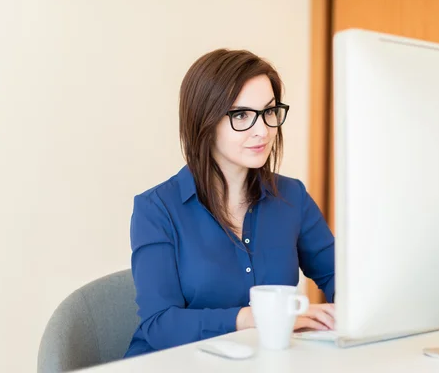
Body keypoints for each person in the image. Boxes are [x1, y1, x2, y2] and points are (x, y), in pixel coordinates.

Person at [124, 48, 335, 358]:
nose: (262, 130)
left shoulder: (292, 197)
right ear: (204, 122)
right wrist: (250, 318)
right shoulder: (156, 209)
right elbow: (160, 325)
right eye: (241, 115)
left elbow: (338, 275)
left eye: (269, 112)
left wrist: (349, 309)